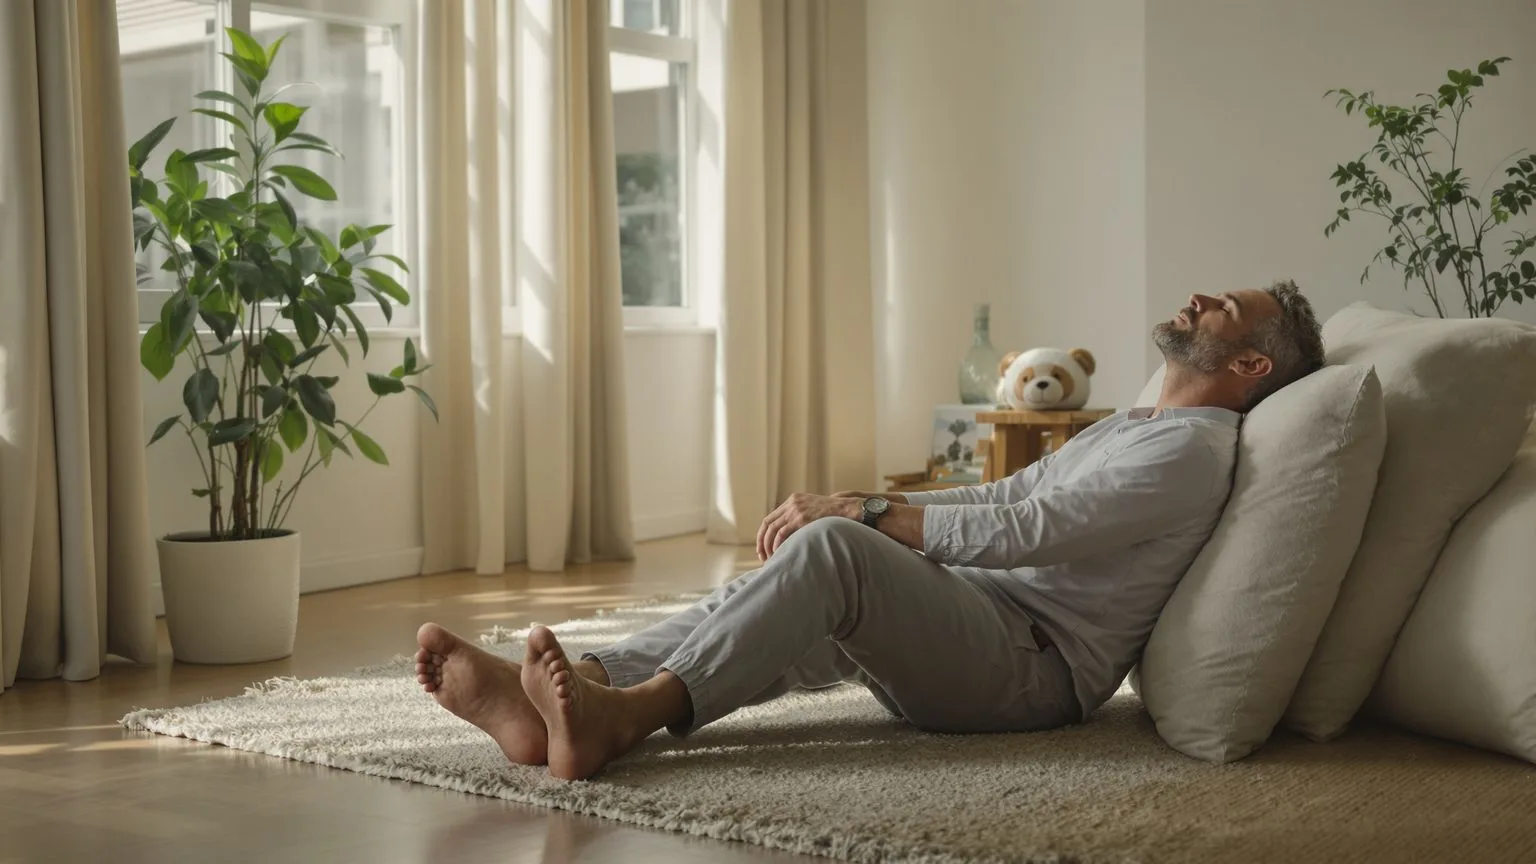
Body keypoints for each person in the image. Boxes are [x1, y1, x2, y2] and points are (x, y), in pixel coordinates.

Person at [414, 280, 1326, 780]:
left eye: (1228, 308)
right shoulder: (1142, 425)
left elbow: (1037, 528)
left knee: (839, 552)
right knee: (793, 586)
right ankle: (573, 691)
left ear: (1247, 362)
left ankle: (626, 718)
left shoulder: (1191, 454)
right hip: (982, 619)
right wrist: (869, 503)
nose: (1201, 296)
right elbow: (1007, 497)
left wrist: (866, 518)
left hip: (1029, 671)